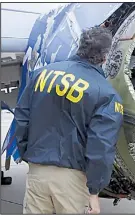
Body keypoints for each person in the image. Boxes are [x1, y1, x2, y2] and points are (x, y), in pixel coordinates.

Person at [14, 26, 124, 214]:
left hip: (37, 170)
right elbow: (101, 145)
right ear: (106, 56)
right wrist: (94, 190)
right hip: (72, 179)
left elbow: (22, 118)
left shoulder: (41, 74)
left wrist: (29, 155)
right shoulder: (106, 94)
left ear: (79, 47)